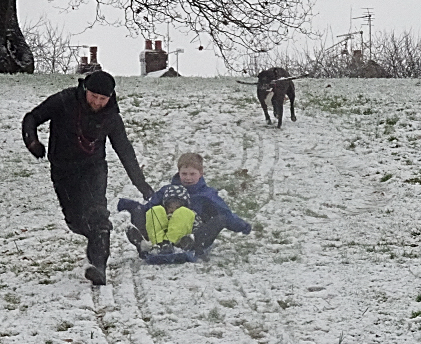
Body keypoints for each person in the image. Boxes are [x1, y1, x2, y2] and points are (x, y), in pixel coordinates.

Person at [21, 71, 154, 285]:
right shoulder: (65, 100)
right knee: (76, 221)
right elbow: (32, 118)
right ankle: (94, 239)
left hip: (93, 170)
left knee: (98, 217)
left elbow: (125, 150)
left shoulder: (111, 115)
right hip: (63, 170)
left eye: (103, 99)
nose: (98, 103)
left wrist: (142, 185)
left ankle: (98, 267)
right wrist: (32, 142)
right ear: (85, 90)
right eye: (94, 97)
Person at [119, 153, 251, 257]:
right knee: (155, 211)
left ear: (201, 173)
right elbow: (149, 208)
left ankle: (185, 244)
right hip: (162, 232)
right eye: (184, 174)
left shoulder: (206, 194)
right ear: (178, 173)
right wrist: (133, 207)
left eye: (192, 174)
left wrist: (242, 226)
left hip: (192, 235)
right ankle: (149, 244)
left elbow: (225, 213)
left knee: (217, 218)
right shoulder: (168, 191)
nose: (188, 178)